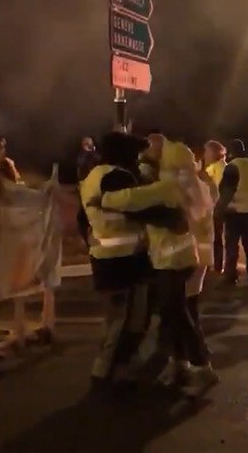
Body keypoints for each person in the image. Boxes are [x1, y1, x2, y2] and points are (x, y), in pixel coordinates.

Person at [98, 137, 219, 397]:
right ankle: (182, 365)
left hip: (171, 262)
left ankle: (202, 367)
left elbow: (130, 199)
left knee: (178, 315)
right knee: (175, 314)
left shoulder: (168, 187)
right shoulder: (188, 185)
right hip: (179, 259)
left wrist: (104, 198)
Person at [78, 132, 161, 393]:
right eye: (133, 153)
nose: (137, 159)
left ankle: (110, 370)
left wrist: (90, 240)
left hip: (103, 257)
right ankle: (110, 373)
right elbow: (142, 207)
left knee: (114, 319)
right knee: (130, 320)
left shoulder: (94, 176)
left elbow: (83, 218)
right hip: (127, 260)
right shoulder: (119, 177)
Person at [217, 139, 248, 288]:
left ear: (231, 152)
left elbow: (226, 192)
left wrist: (219, 210)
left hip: (234, 211)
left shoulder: (233, 167)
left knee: (232, 246)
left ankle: (230, 276)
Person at [203, 140, 227, 274]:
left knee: (213, 237)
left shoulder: (213, 169)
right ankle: (219, 266)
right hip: (223, 207)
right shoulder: (225, 166)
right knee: (219, 238)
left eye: (207, 152)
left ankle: (213, 266)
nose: (205, 155)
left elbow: (211, 190)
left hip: (214, 208)